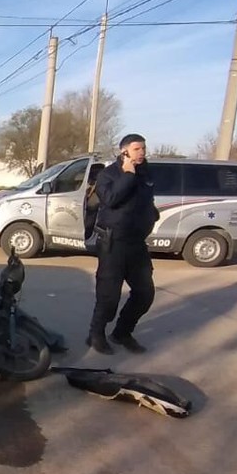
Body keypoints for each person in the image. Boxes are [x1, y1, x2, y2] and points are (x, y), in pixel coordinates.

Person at [86, 133, 159, 355]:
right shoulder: (109, 175)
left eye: (144, 149)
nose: (142, 153)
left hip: (137, 243)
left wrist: (151, 216)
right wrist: (127, 175)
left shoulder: (146, 173)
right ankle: (95, 334)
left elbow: (146, 201)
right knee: (109, 296)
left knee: (145, 293)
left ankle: (122, 333)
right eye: (137, 149)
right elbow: (110, 199)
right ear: (124, 151)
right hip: (113, 242)